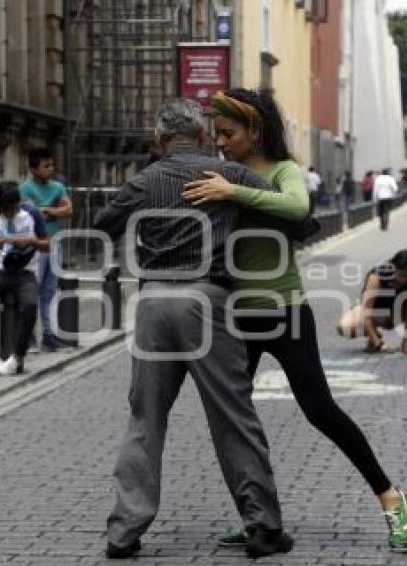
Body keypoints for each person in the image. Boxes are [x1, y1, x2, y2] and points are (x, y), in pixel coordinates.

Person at [181, 88, 407, 553]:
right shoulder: (221, 171)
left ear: (255, 130)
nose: (221, 142)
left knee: (320, 410)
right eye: (216, 134)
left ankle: (391, 498)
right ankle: (260, 518)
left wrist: (234, 191)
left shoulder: (283, 171)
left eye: (228, 134)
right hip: (235, 318)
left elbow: (296, 207)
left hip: (285, 311)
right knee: (233, 418)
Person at [93, 98, 293, 560]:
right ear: (204, 136)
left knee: (145, 417)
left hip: (154, 302)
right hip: (208, 300)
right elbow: (297, 217)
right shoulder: (230, 177)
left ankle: (124, 532)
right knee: (232, 414)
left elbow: (103, 224)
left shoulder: (145, 180)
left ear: (159, 140)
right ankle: (262, 526)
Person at [0, 183, 48, 375]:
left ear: (19, 202)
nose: (11, 213)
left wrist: (31, 241)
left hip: (26, 271)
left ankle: (18, 356)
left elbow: (48, 245)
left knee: (30, 305)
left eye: (14, 208)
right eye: (6, 210)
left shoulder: (32, 213)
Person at [19, 148, 72, 351]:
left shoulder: (58, 187)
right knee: (33, 289)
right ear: (33, 169)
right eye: (46, 166)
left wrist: (48, 210)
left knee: (49, 290)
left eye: (51, 165)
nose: (51, 169)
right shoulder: (25, 188)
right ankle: (29, 335)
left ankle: (48, 334)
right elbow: (29, 214)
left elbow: (69, 209)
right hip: (35, 245)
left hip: (54, 242)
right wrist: (51, 212)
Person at [337, 250, 407, 356]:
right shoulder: (377, 277)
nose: (404, 280)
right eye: (401, 275)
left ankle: (406, 341)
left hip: (395, 315)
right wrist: (378, 343)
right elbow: (366, 312)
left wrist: (406, 339)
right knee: (345, 326)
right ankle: (374, 335)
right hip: (374, 313)